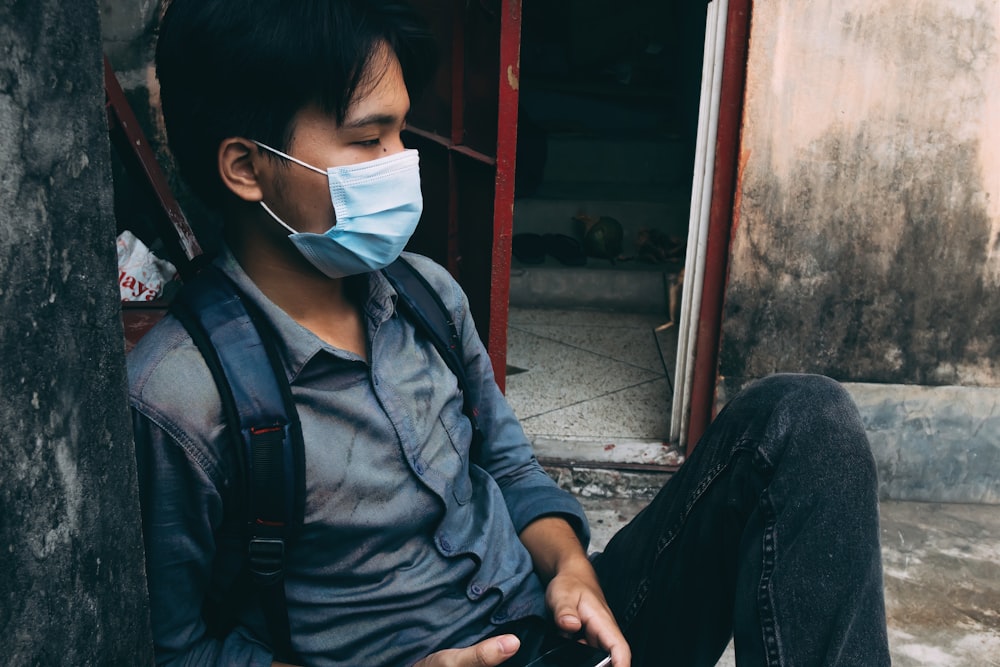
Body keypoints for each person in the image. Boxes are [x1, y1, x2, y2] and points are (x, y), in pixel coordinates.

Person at [128, 1, 891, 665]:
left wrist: (571, 569)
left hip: (564, 634)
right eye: (368, 141)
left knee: (802, 422)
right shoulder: (181, 399)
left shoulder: (425, 296)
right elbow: (178, 648)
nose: (401, 163)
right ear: (246, 167)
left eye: (401, 131)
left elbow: (511, 467)